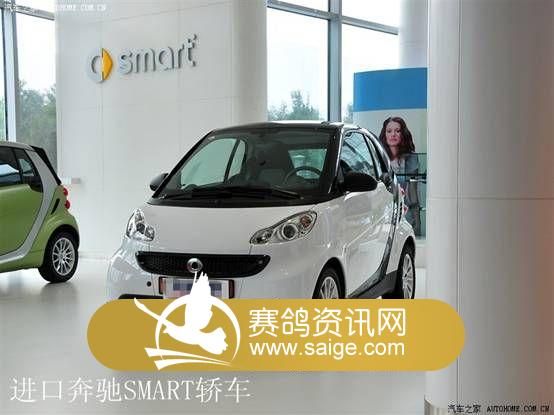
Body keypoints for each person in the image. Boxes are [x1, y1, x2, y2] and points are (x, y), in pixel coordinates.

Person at [378, 116, 421, 235]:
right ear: (384, 134)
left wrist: (417, 220)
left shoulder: (411, 158)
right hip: (384, 215)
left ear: (403, 134)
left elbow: (413, 193)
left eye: (397, 131)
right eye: (389, 131)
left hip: (405, 214)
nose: (393, 134)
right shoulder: (378, 158)